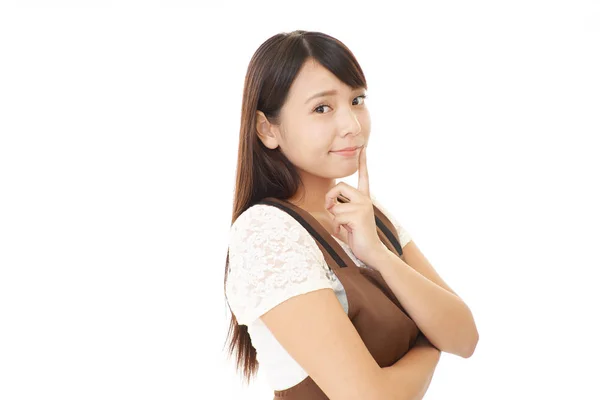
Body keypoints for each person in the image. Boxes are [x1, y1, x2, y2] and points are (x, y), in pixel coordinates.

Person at [224, 30, 474, 399]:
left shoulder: (367, 215)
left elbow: (465, 337)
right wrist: (428, 342)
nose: (352, 125)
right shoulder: (266, 232)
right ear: (268, 129)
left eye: (357, 100)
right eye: (322, 108)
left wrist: (377, 253)